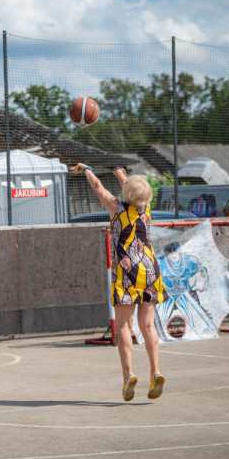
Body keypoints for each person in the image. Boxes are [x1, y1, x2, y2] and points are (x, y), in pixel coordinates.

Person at [71, 163, 170, 401]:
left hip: (127, 271)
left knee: (124, 326)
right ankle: (155, 371)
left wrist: (86, 169)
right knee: (147, 326)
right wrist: (118, 170)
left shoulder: (116, 209)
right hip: (150, 269)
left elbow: (97, 186)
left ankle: (128, 375)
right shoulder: (145, 209)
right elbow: (133, 190)